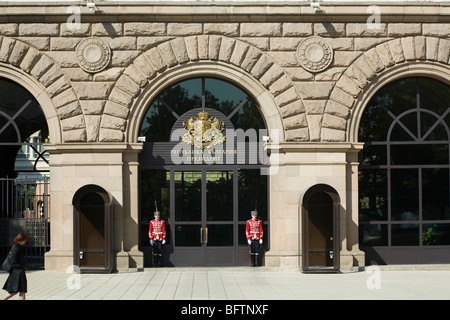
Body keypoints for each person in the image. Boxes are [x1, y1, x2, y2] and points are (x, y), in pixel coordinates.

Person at [2, 232, 28, 300]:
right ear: (21, 240)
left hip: (20, 271)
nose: (25, 242)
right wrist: (18, 266)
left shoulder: (19, 246)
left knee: (22, 290)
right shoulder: (16, 246)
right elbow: (12, 260)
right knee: (14, 290)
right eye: (24, 240)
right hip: (16, 272)